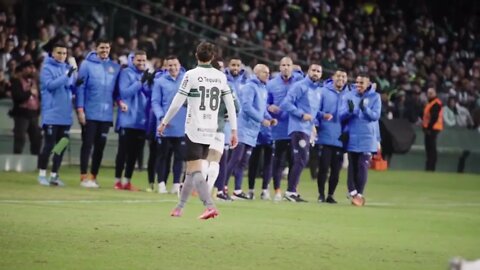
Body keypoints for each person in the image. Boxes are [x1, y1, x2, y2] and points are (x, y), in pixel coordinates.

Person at [158, 42, 238, 219]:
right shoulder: (220, 77)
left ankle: (209, 206)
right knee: (190, 170)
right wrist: (234, 130)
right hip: (212, 130)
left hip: (195, 128)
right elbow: (231, 105)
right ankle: (179, 207)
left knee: (195, 170)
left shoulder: (191, 75)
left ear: (196, 56)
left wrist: (164, 121)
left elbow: (177, 101)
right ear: (212, 57)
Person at [225, 64, 274, 200]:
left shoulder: (263, 88)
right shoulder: (250, 87)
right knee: (235, 160)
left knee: (243, 162)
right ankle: (221, 188)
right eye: (265, 72)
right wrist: (261, 120)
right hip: (243, 129)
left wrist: (269, 118)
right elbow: (246, 107)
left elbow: (262, 108)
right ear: (256, 73)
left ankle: (237, 190)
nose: (267, 74)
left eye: (268, 72)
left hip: (252, 131)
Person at [75, 38, 121, 188]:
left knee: (100, 147)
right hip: (90, 112)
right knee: (87, 145)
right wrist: (80, 109)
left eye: (107, 48)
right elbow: (80, 88)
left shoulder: (114, 67)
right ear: (95, 48)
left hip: (106, 114)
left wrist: (120, 102)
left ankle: (93, 177)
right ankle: (83, 177)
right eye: (102, 48)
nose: (104, 51)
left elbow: (116, 91)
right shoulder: (86, 65)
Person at [280, 64, 323, 202]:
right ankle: (290, 191)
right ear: (308, 72)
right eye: (313, 70)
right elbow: (285, 104)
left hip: (307, 129)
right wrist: (301, 114)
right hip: (298, 128)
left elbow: (313, 112)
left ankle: (292, 190)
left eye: (318, 71)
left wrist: (313, 125)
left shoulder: (318, 90)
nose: (315, 73)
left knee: (301, 160)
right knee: (301, 159)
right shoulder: (300, 86)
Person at [37, 43, 76, 186]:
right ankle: (42, 175)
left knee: (61, 146)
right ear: (53, 54)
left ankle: (54, 175)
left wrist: (74, 79)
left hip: (65, 115)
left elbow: (69, 86)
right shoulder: (46, 68)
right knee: (48, 145)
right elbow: (50, 86)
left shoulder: (67, 68)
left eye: (64, 53)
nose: (62, 56)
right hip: (52, 114)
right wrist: (67, 75)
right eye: (59, 53)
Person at [339, 74, 381, 206]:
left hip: (367, 137)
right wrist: (350, 112)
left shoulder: (375, 97)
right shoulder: (349, 96)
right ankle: (353, 192)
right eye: (357, 82)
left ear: (368, 84)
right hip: (352, 135)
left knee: (363, 166)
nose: (358, 85)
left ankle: (359, 194)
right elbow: (341, 116)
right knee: (352, 166)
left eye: (361, 83)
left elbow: (375, 116)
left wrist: (365, 109)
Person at [114, 50, 153, 191]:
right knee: (123, 152)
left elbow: (148, 95)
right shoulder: (126, 73)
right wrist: (139, 82)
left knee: (134, 153)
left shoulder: (145, 74)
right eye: (139, 61)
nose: (142, 63)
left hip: (141, 120)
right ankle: (117, 181)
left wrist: (150, 82)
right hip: (127, 119)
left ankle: (127, 181)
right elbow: (124, 93)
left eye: (144, 60)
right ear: (133, 60)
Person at [266, 56, 304, 201]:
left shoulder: (300, 82)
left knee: (295, 161)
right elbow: (265, 102)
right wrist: (269, 107)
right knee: (278, 162)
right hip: (279, 129)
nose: (286, 67)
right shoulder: (271, 84)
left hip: (295, 127)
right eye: (283, 65)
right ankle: (277, 190)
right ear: (279, 67)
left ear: (292, 67)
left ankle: (292, 190)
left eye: (288, 65)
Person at [152, 55, 186, 194]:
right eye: (170, 65)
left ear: (179, 65)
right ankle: (161, 184)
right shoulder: (159, 81)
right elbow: (155, 102)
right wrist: (162, 117)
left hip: (182, 125)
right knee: (162, 156)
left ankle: (176, 184)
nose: (173, 68)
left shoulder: (186, 79)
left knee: (179, 157)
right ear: (166, 67)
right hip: (164, 125)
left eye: (175, 65)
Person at [316, 69, 348, 203]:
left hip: (340, 138)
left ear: (346, 79)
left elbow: (351, 115)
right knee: (323, 167)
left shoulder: (349, 95)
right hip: (325, 135)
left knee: (336, 170)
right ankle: (321, 194)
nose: (341, 78)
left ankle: (330, 195)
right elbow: (315, 109)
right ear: (333, 78)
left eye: (343, 76)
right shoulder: (323, 92)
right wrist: (322, 117)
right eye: (338, 76)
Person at [9, 60, 41, 155]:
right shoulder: (16, 81)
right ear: (23, 69)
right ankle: (17, 158)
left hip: (34, 114)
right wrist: (29, 92)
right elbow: (17, 97)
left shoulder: (34, 82)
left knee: (37, 138)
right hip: (22, 114)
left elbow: (38, 97)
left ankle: (36, 162)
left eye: (33, 68)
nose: (33, 70)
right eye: (30, 68)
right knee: (20, 138)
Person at [423, 87, 443, 171]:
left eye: (431, 93)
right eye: (428, 93)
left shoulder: (436, 103)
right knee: (429, 149)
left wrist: (428, 128)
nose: (429, 95)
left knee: (431, 149)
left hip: (433, 129)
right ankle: (429, 167)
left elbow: (434, 117)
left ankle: (431, 168)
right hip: (430, 129)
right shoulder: (430, 103)